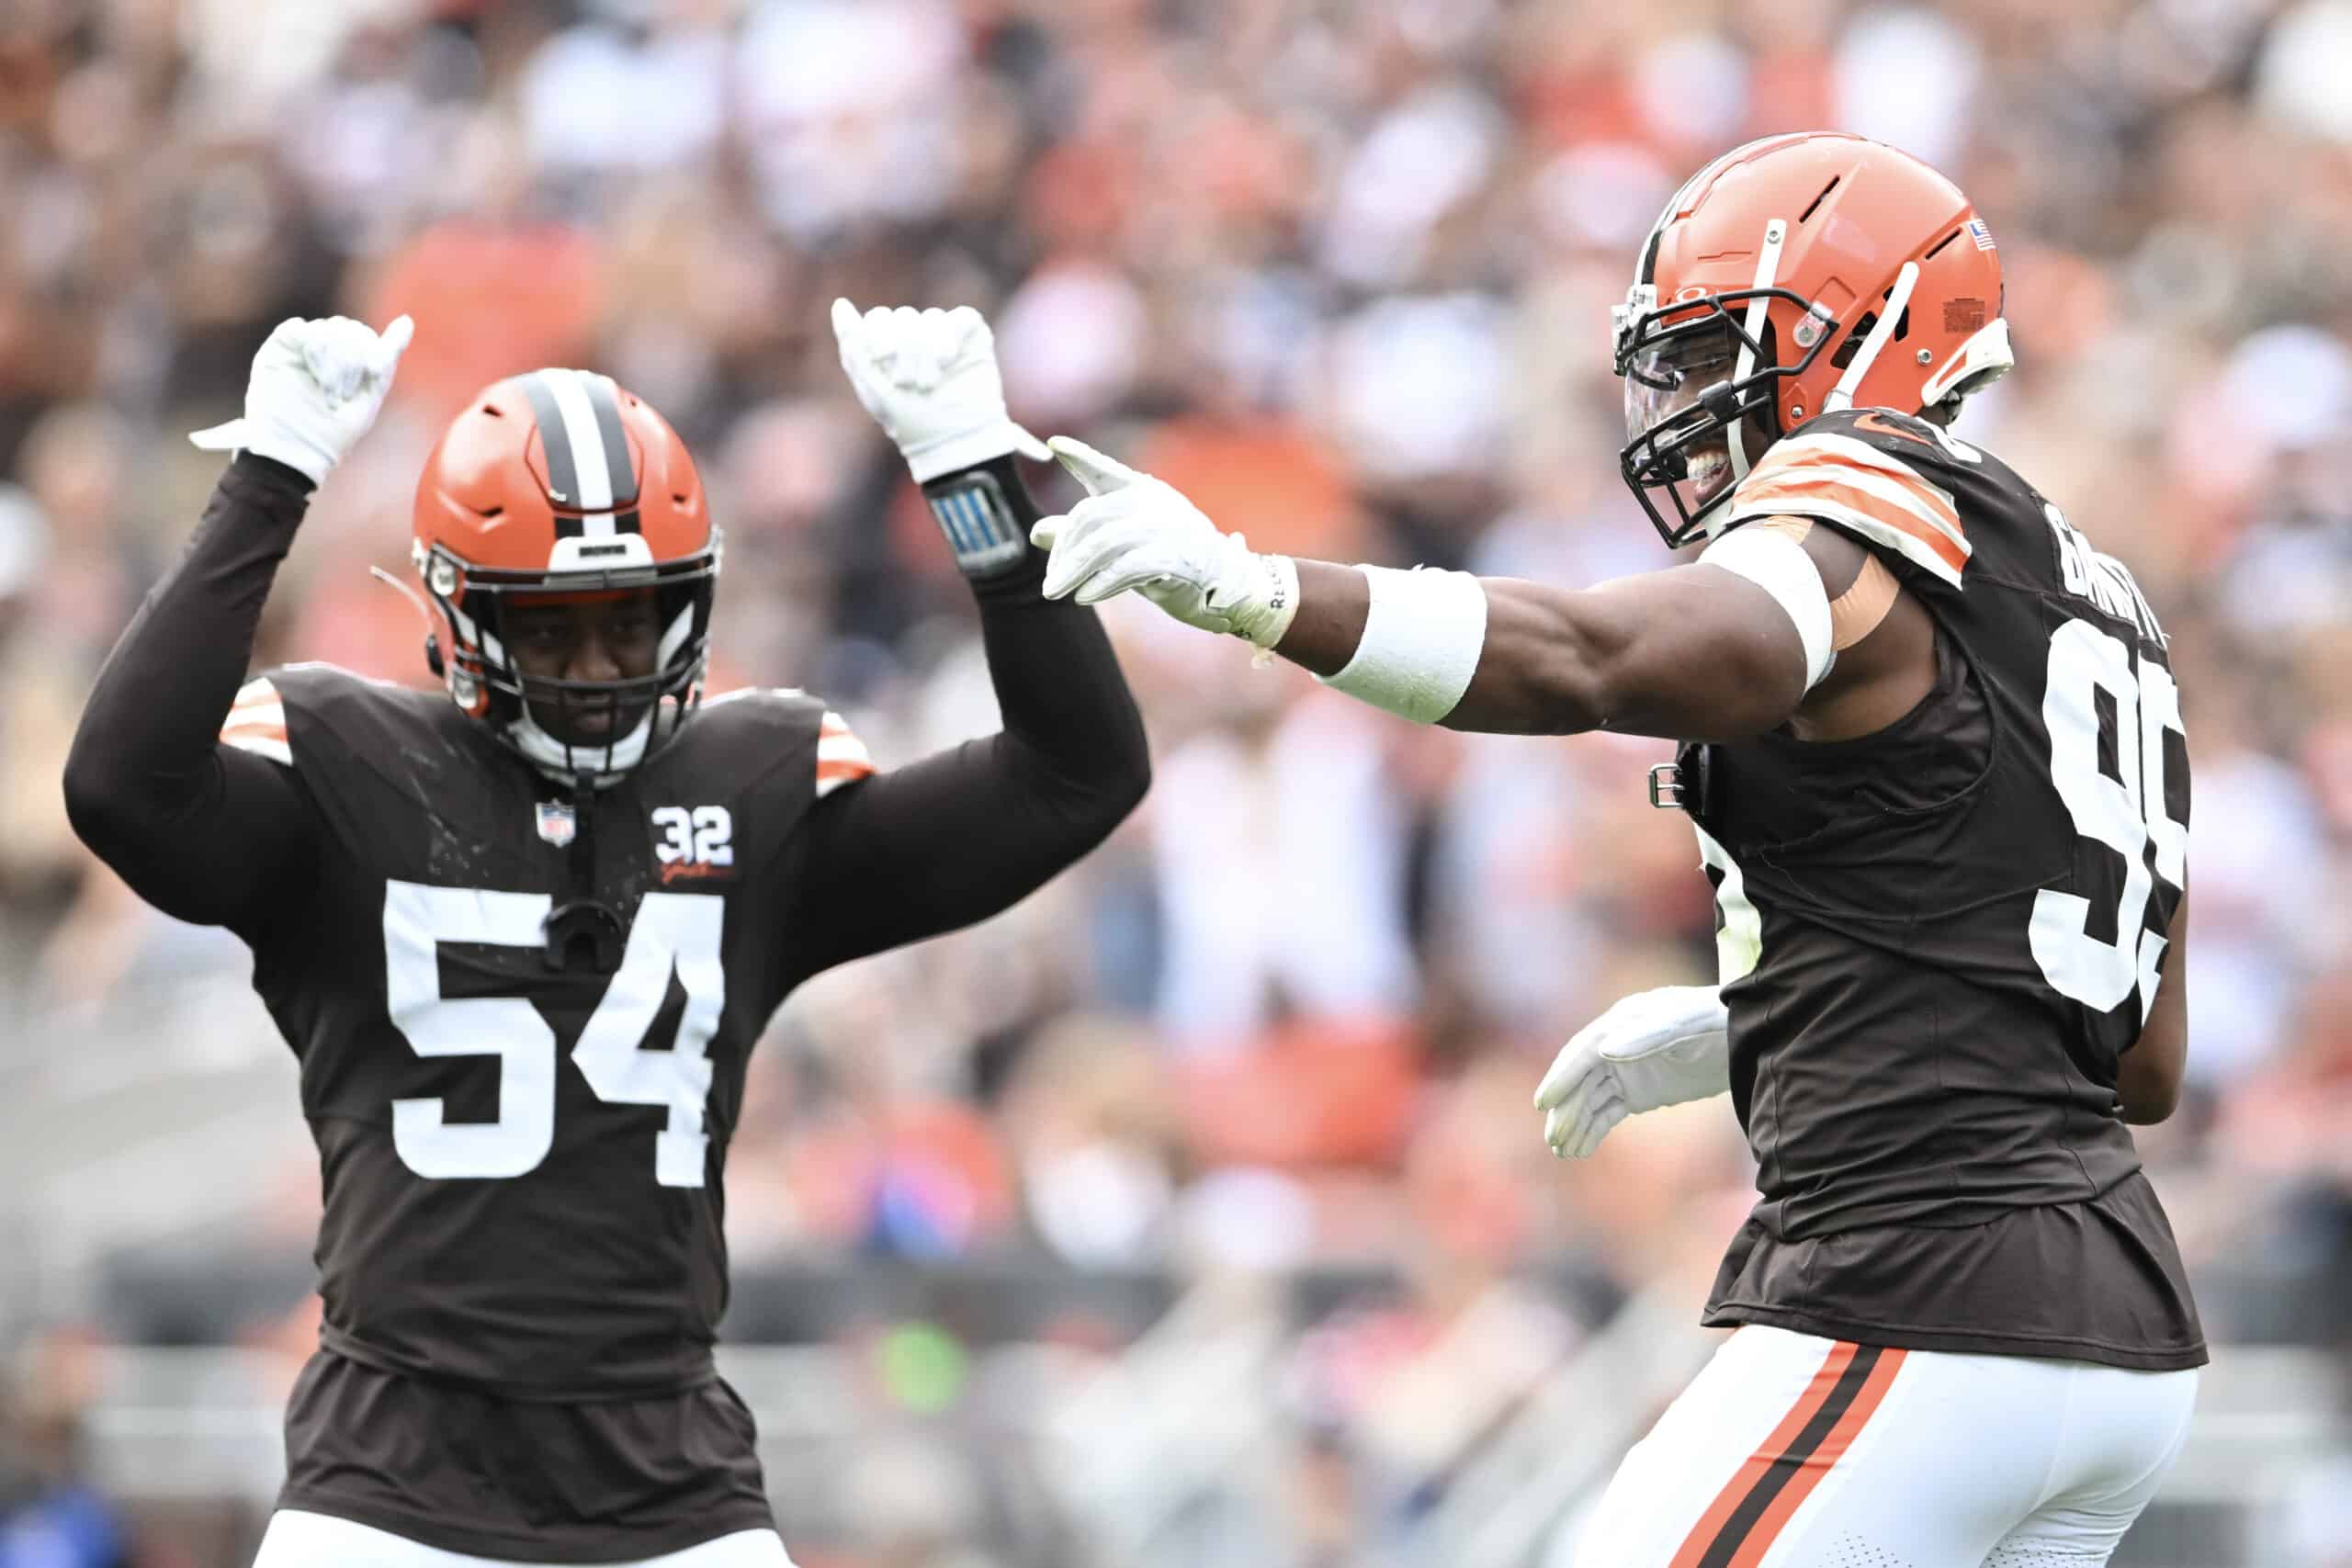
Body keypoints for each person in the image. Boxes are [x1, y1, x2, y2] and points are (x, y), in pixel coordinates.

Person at [1030, 131, 2200, 1567]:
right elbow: (2134, 1056)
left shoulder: (1865, 505)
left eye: (1721, 359)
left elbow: (1593, 658)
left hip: (1924, 1284)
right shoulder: (2098, 603)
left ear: (1873, 337)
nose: (1689, 409)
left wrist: (1262, 590)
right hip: (2117, 1330)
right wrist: (1759, 1020)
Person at [62, 302, 1148, 1566]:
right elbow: (121, 786)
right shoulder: (351, 773)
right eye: (550, 625)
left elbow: (1076, 774)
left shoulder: (754, 791)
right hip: (388, 1486)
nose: (594, 663)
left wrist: (969, 470)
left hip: (671, 1491)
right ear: (459, 614)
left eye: (629, 617)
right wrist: (272, 472)